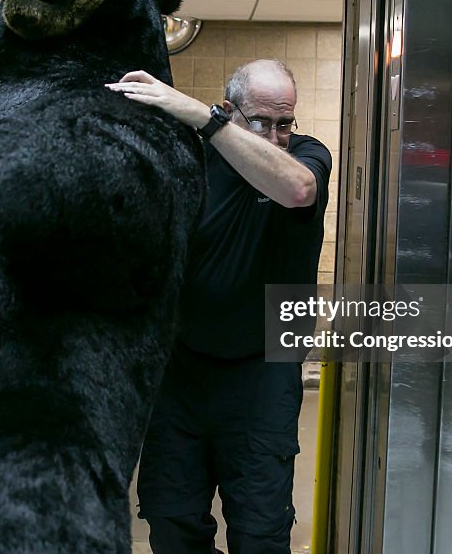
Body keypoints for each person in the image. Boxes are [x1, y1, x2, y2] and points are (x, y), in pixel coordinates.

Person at [107, 59, 332, 554]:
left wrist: (203, 117)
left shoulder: (305, 157)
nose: (275, 136)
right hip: (182, 373)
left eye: (284, 123)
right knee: (172, 520)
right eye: (261, 122)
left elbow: (297, 190)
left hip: (263, 373)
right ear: (232, 109)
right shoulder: (192, 160)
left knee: (260, 531)